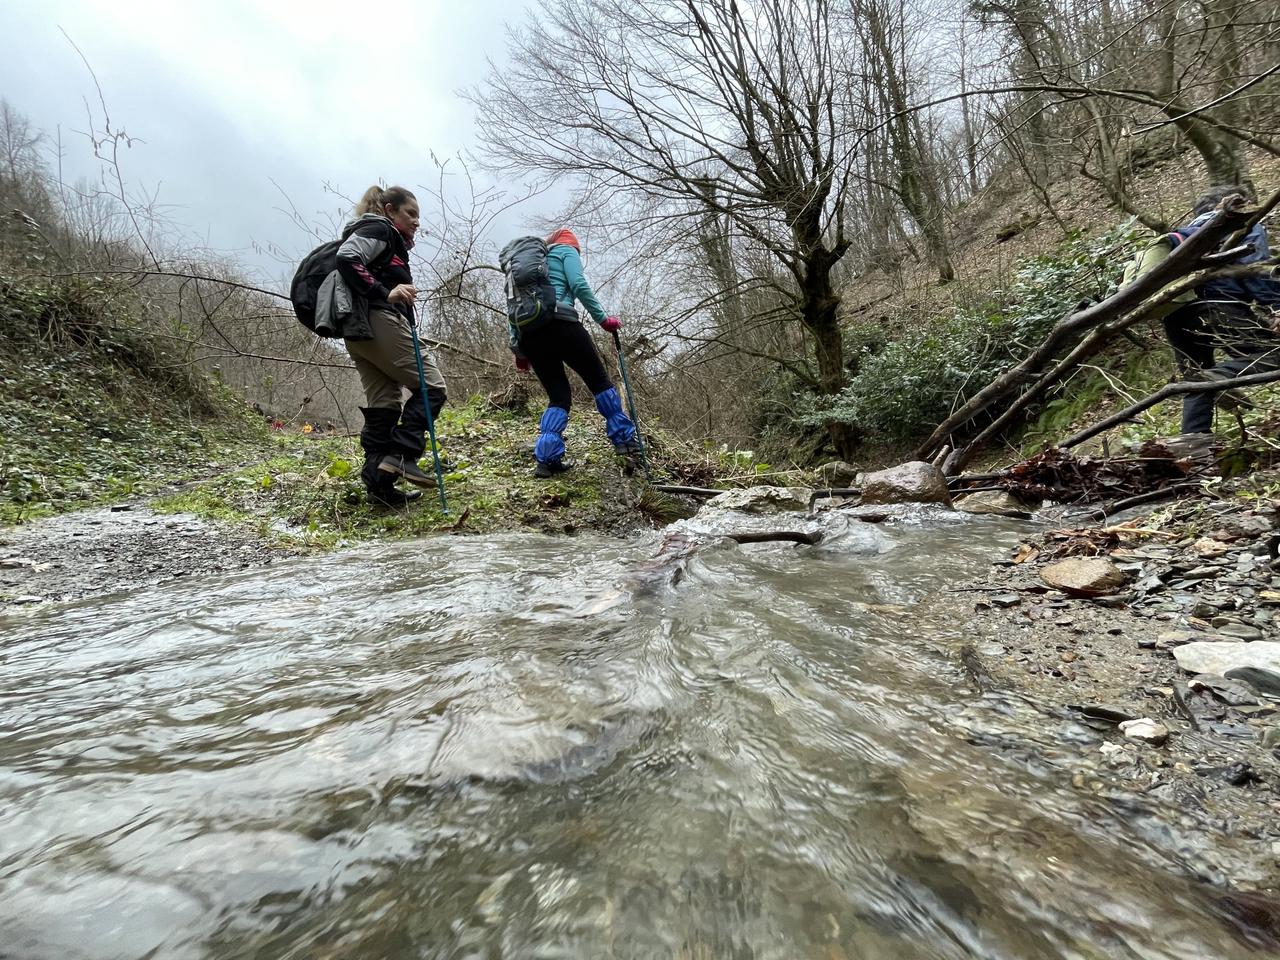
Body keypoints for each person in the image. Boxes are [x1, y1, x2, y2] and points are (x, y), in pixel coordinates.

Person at [336, 185, 447, 507]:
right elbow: (347, 258)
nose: (416, 222)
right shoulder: (380, 229)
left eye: (418, 216)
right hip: (377, 320)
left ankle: (379, 485)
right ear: (388, 209)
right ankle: (401, 455)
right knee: (432, 386)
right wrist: (384, 292)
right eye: (410, 213)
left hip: (358, 332)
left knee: (384, 402)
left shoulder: (381, 235)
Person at [511, 228, 641, 478]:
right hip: (563, 324)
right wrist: (603, 320)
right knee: (600, 383)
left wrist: (519, 349)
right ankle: (625, 442)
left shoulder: (524, 268)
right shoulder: (565, 250)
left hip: (531, 334)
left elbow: (514, 306)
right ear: (573, 245)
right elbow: (578, 284)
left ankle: (546, 461)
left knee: (558, 396)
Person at [1160, 185, 1280, 436]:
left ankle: (1192, 448)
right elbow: (1255, 269)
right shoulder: (1242, 224)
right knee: (1273, 354)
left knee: (1195, 380)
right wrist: (1276, 309)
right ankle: (1219, 379)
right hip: (1219, 305)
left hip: (1176, 313)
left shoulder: (1185, 237)